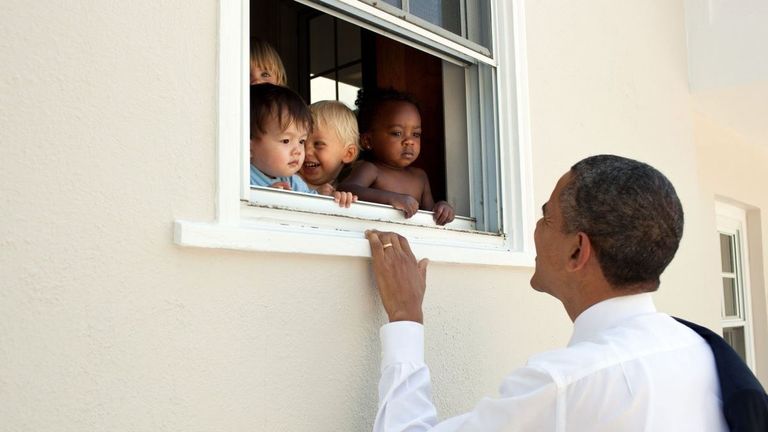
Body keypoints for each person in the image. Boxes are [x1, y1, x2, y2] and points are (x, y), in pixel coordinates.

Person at [365, 155, 729, 431]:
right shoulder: (698, 348)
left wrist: (405, 318)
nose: (536, 230)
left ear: (577, 251)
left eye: (546, 217)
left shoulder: (565, 384)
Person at [338, 88, 454, 226]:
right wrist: (391, 199)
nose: (409, 141)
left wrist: (442, 208)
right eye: (397, 133)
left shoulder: (420, 177)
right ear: (368, 141)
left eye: (416, 134)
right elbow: (346, 189)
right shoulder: (371, 169)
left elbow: (430, 214)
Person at [250, 83, 355, 207]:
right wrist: (263, 198)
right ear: (249, 146)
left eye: (301, 141)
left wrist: (332, 199)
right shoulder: (240, 177)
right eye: (286, 141)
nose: (299, 151)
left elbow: (312, 208)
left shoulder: (293, 181)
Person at [299, 100, 361, 196]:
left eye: (318, 144)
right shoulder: (285, 180)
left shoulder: (345, 191)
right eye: (301, 142)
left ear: (348, 154)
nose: (306, 151)